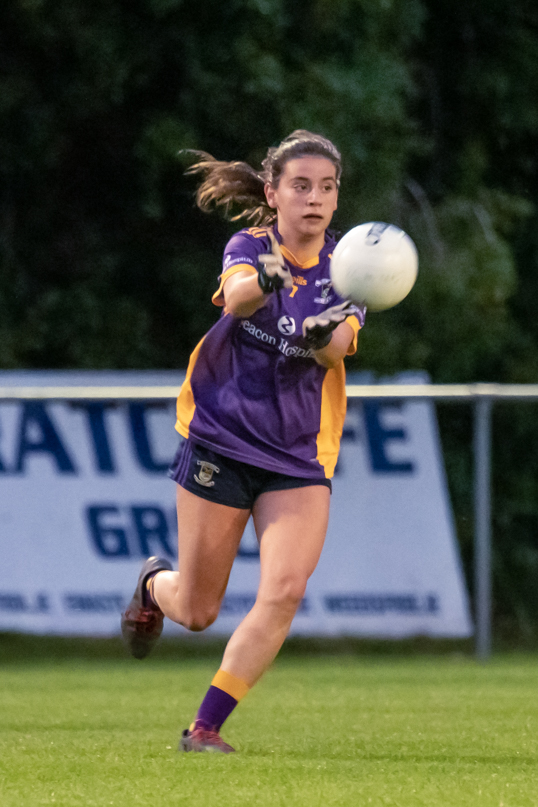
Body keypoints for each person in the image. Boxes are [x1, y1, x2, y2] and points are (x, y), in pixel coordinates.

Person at [121, 130, 366, 753]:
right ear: (273, 193)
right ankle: (153, 585)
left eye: (327, 188)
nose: (315, 198)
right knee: (199, 611)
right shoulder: (249, 245)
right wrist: (268, 275)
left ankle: (205, 728)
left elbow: (337, 347)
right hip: (222, 438)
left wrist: (320, 332)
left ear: (337, 200)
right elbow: (235, 298)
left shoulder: (350, 269)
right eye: (301, 185)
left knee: (285, 590)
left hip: (296, 454)